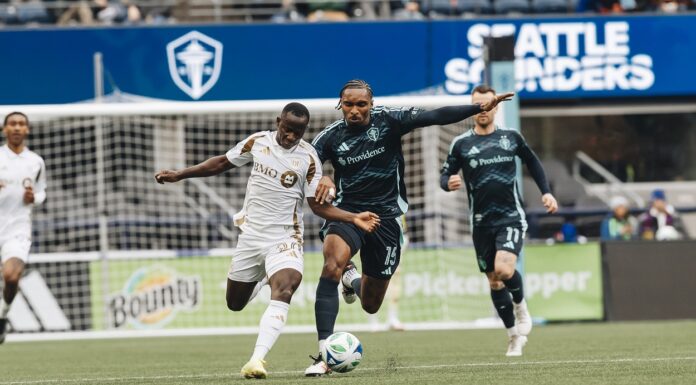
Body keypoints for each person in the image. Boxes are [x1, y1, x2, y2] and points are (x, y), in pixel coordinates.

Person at [154, 103, 380, 379]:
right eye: (287, 129)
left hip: (285, 238)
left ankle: (256, 360)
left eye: (297, 132)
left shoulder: (309, 159)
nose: (290, 136)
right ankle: (262, 278)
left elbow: (318, 207)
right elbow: (222, 162)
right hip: (251, 238)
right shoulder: (257, 142)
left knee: (286, 287)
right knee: (234, 303)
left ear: (304, 131)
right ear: (278, 122)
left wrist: (352, 218)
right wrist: (181, 174)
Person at [305, 79, 513, 376]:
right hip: (350, 213)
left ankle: (352, 280)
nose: (354, 110)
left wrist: (478, 107)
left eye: (361, 104)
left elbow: (434, 116)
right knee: (331, 265)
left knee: (371, 304)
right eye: (348, 105)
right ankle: (324, 353)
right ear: (340, 105)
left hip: (387, 218)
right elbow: (309, 163)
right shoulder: (329, 138)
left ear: (371, 104)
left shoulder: (390, 120)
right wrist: (323, 176)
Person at [439, 85, 558, 357]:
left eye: (489, 104)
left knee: (504, 270)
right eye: (478, 105)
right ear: (472, 108)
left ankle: (521, 306)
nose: (484, 109)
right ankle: (513, 336)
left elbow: (534, 162)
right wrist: (448, 182)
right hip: (480, 222)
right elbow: (444, 175)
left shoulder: (511, 137)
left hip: (510, 217)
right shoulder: (461, 144)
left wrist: (547, 192)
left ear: (496, 106)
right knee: (493, 281)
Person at [0, 112, 47, 344]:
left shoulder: (35, 162)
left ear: (27, 129)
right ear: (4, 129)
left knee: (10, 277)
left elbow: (41, 192)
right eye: (12, 124)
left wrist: (34, 198)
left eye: (21, 124)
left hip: (17, 227)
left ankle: (2, 314)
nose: (17, 128)